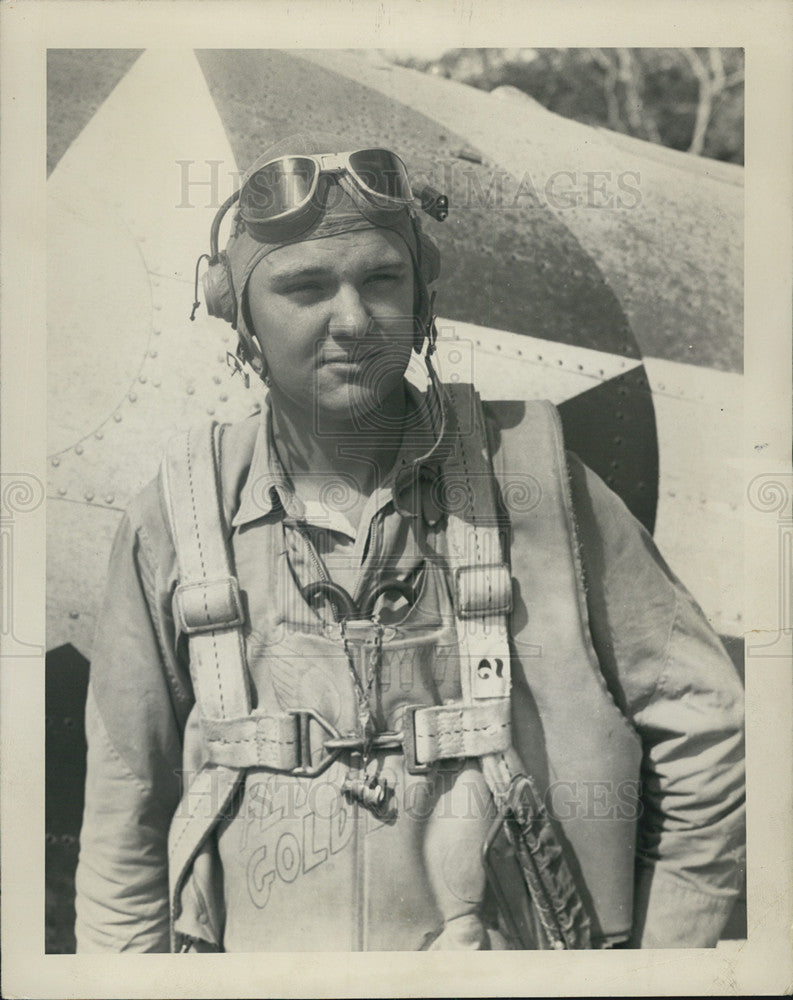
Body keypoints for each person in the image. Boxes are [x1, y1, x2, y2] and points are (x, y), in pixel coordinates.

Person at [74, 132, 745, 953]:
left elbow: (710, 729)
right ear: (239, 315)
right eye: (305, 287)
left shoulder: (533, 484)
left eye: (382, 280)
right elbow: (122, 822)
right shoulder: (174, 522)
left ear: (422, 299)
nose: (353, 319)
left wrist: (659, 966)